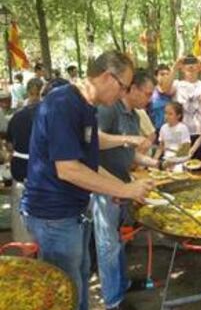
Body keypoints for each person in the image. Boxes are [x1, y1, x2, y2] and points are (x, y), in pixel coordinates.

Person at [20, 50, 155, 310]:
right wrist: (124, 189)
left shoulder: (87, 108)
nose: (123, 94)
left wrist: (121, 189)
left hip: (73, 213)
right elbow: (69, 169)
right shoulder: (62, 104)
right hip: (53, 217)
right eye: (123, 87)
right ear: (107, 77)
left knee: (79, 282)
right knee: (64, 292)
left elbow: (89, 163)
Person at [91, 69, 159, 310]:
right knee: (107, 245)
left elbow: (129, 154)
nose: (149, 99)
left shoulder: (134, 115)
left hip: (123, 185)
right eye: (147, 94)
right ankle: (113, 301)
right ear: (133, 89)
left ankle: (122, 283)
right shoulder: (110, 108)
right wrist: (128, 139)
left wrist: (156, 163)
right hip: (104, 186)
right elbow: (93, 138)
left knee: (118, 241)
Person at [6, 77, 51, 242]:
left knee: (21, 216)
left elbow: (10, 145)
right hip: (43, 172)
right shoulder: (50, 115)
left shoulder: (17, 116)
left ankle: (24, 245)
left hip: (20, 170)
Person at [161, 54, 201, 159]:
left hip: (200, 134)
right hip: (180, 133)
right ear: (182, 67)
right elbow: (165, 88)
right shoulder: (177, 84)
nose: (191, 66)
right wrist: (174, 67)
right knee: (180, 164)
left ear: (199, 67)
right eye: (187, 63)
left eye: (194, 63)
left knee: (197, 166)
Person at [154, 102, 191, 169]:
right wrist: (154, 161)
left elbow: (185, 149)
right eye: (165, 113)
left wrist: (174, 160)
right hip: (166, 162)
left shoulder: (183, 128)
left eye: (170, 114)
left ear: (178, 116)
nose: (166, 116)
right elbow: (161, 147)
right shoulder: (163, 128)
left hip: (180, 163)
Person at [148, 64, 172, 139]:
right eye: (162, 74)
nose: (165, 76)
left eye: (167, 74)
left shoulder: (173, 92)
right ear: (156, 76)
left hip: (171, 131)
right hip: (155, 132)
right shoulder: (150, 92)